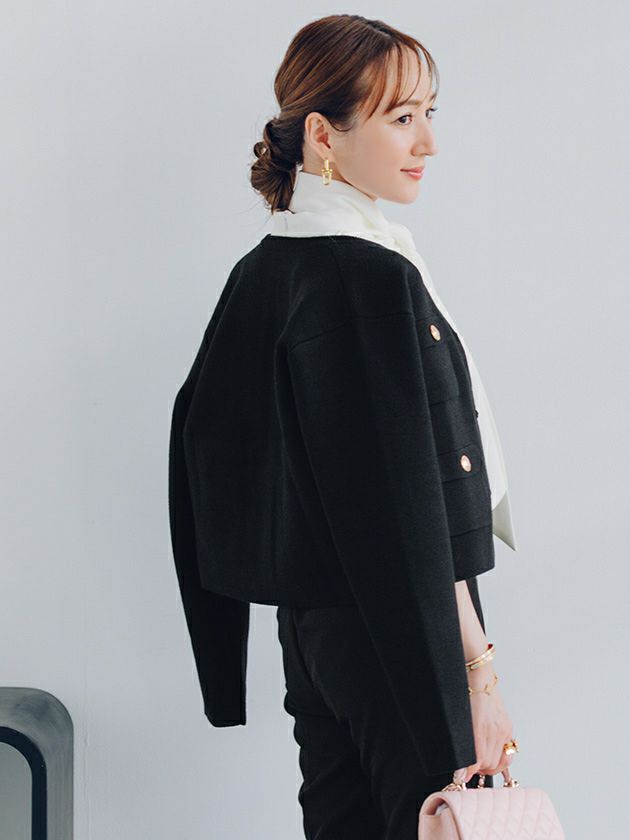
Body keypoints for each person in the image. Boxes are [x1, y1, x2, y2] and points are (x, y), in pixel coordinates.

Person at [168, 14, 519, 839]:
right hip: (400, 628)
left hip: (315, 631)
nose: (428, 143)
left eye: (429, 113)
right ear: (324, 135)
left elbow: (203, 452)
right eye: (402, 118)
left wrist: (225, 650)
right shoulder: (366, 279)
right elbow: (405, 509)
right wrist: (477, 673)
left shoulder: (267, 269)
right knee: (443, 819)